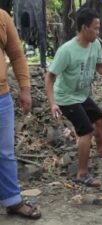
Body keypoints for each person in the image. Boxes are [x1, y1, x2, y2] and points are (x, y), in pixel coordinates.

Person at [45, 8, 102, 187]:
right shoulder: (67, 51)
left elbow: (99, 66)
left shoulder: (95, 44)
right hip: (65, 97)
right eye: (95, 28)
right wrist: (52, 104)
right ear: (83, 28)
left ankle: (101, 151)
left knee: (98, 118)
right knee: (86, 131)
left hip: (81, 95)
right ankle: (81, 174)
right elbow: (49, 77)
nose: (98, 32)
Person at [0, 9, 41, 219]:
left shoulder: (2, 17)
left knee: (5, 153)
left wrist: (25, 88)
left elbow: (16, 54)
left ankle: (13, 201)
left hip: (1, 97)